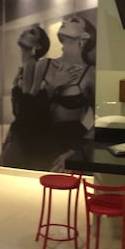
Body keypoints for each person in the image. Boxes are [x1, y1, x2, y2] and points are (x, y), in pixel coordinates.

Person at [27, 16, 97, 171]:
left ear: (85, 36)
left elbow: (101, 119)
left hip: (69, 145)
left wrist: (75, 151)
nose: (65, 21)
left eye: (74, 21)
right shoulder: (44, 65)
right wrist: (54, 85)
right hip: (39, 141)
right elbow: (29, 110)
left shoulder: (90, 73)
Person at [0, 25, 50, 168]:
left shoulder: (31, 65)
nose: (24, 32)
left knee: (4, 166)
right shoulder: (25, 66)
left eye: (32, 32)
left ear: (37, 46)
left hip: (25, 131)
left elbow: (28, 103)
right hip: (19, 128)